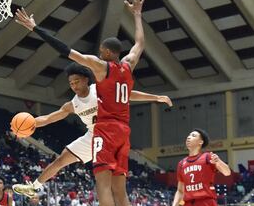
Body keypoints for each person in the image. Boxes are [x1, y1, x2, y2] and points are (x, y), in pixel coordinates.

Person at [15, 0, 147, 206]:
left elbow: (66, 50)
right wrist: (137, 15)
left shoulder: (103, 68)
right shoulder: (129, 65)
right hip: (125, 132)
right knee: (120, 192)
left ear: (109, 54)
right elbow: (139, 42)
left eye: (102, 51)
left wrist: (36, 28)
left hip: (106, 130)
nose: (99, 54)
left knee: (102, 187)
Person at [12, 62, 172, 198]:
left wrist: (156, 98)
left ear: (86, 79)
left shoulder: (101, 90)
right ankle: (34, 187)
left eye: (76, 81)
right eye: (71, 83)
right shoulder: (72, 104)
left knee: (105, 176)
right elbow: (48, 118)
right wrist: (29, 125)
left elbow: (128, 94)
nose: (74, 85)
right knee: (61, 160)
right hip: (92, 135)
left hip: (110, 135)